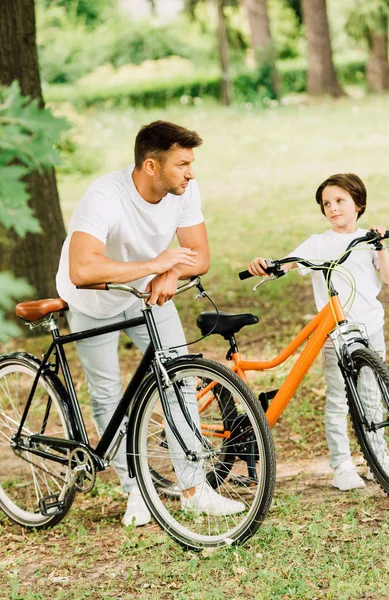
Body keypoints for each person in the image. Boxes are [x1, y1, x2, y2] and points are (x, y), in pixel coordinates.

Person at [56, 120, 244, 526]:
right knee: (108, 395)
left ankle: (195, 489)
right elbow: (81, 268)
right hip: (93, 300)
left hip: (148, 294)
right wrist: (155, 264)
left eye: (191, 163)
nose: (191, 172)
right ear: (151, 166)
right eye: (182, 164)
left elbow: (199, 254)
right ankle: (136, 490)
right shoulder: (105, 195)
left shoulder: (184, 189)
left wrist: (170, 274)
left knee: (180, 379)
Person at [248, 173, 389, 491]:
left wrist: (380, 246)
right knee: (338, 399)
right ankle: (342, 464)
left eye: (339, 201)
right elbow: (289, 262)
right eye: (326, 203)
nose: (332, 208)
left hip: (369, 328)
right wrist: (269, 264)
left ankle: (378, 457)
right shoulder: (319, 243)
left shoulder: (367, 240)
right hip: (335, 335)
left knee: (372, 397)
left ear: (358, 204)